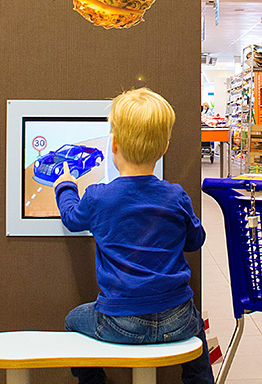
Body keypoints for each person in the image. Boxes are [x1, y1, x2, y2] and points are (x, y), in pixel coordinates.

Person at [54, 88, 213, 384]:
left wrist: (65, 186)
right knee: (198, 340)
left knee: (72, 321)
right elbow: (196, 241)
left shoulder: (99, 196)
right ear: (165, 146)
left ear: (113, 145)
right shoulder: (175, 195)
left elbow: (72, 218)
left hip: (120, 320)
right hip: (177, 318)